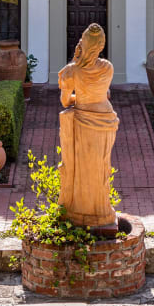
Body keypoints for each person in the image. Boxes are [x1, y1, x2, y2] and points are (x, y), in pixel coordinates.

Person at [57, 23, 119, 230]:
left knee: (84, 170)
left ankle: (80, 211)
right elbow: (101, 93)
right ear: (101, 45)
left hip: (84, 120)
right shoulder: (108, 67)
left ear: (82, 44)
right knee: (101, 167)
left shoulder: (71, 71)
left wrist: (75, 60)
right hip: (106, 117)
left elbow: (66, 102)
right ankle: (101, 210)